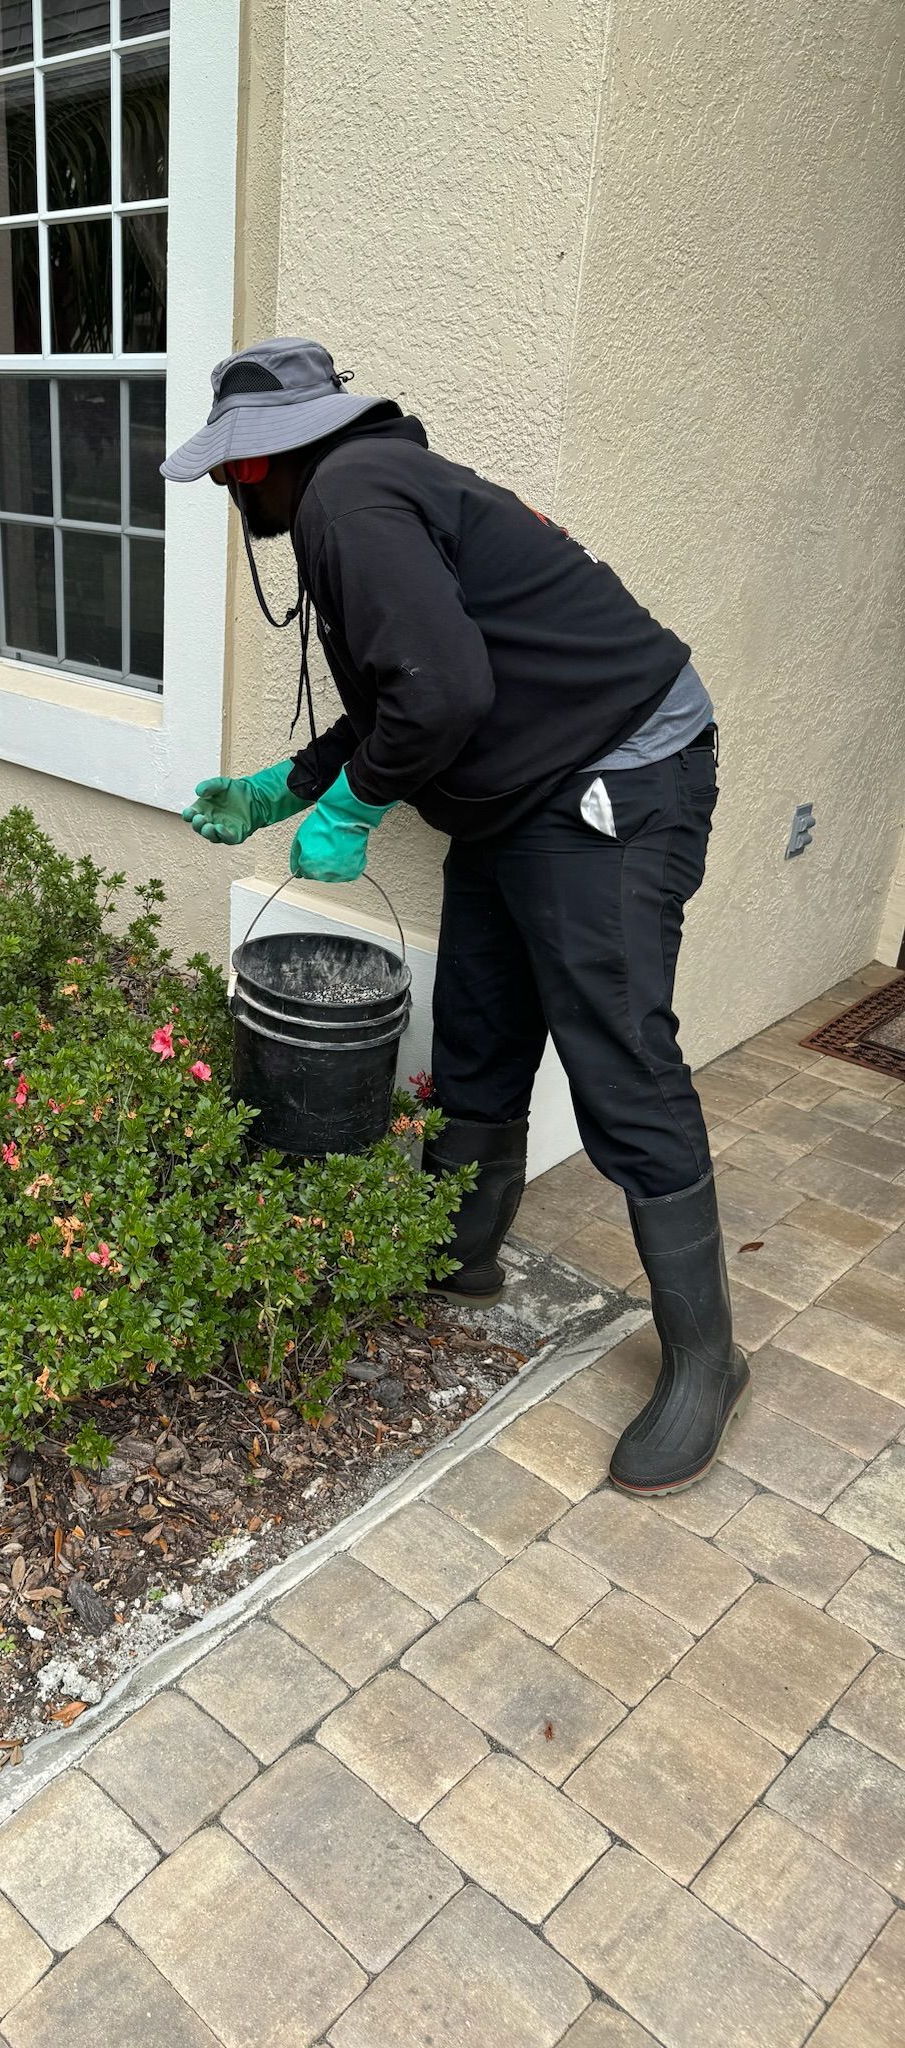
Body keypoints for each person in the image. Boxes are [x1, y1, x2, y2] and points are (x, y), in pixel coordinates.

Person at [164, 336, 743, 1499]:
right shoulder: (374, 489)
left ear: (261, 462)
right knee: (479, 1013)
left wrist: (360, 808)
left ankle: (707, 1360)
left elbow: (445, 690)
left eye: (233, 474)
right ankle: (461, 1250)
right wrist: (288, 787)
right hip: (520, 792)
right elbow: (402, 688)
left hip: (618, 773)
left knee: (618, 1051)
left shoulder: (348, 500)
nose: (236, 495)